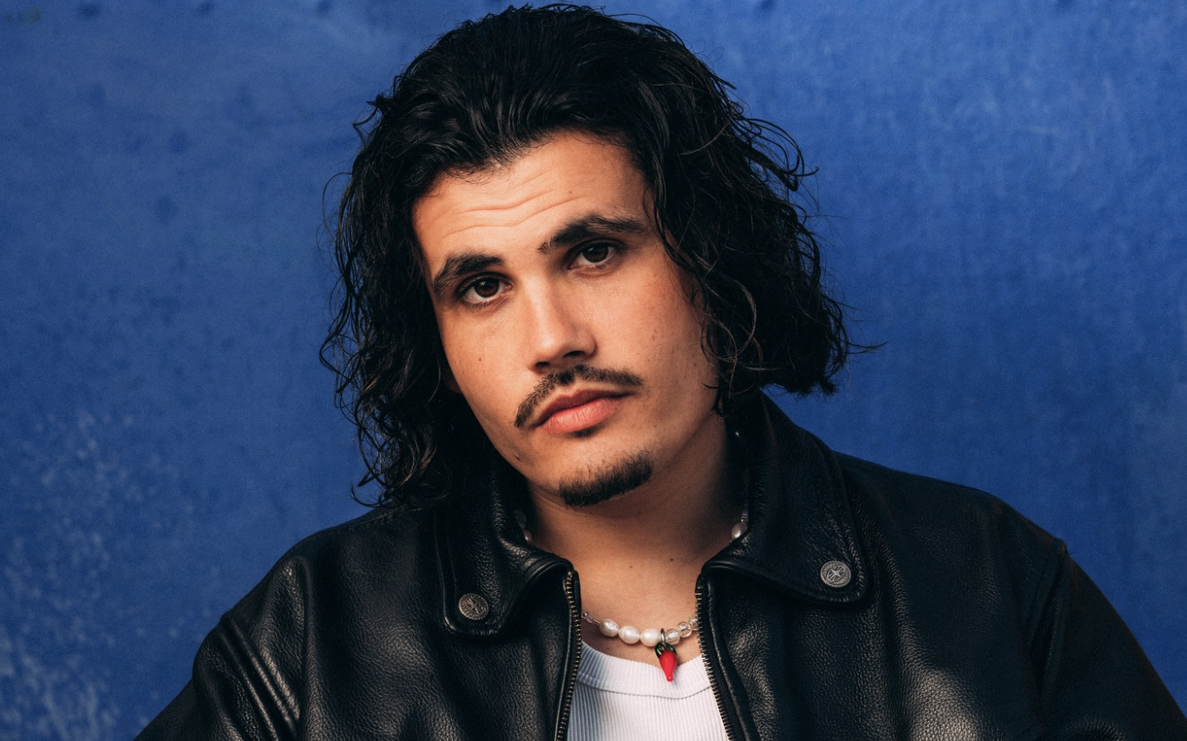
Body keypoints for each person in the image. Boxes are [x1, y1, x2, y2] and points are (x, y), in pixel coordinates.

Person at [137, 5, 1186, 739]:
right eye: (482, 287)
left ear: (709, 262)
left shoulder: (983, 589)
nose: (551, 339)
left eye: (593, 252)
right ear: (437, 341)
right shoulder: (314, 643)